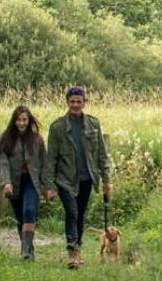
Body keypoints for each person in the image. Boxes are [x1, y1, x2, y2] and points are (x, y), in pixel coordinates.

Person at [44, 85, 112, 269]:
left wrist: (106, 180)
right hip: (65, 179)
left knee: (80, 214)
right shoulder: (57, 127)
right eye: (72, 102)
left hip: (87, 178)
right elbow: (51, 158)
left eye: (79, 102)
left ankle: (78, 248)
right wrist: (49, 185)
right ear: (67, 102)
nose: (75, 105)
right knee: (72, 212)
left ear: (84, 103)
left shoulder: (93, 124)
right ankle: (72, 252)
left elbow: (102, 155)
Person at [0, 104, 52, 259]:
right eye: (18, 120)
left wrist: (47, 186)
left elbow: (44, 163)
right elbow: (3, 162)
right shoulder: (6, 139)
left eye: (24, 120)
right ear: (14, 121)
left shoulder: (37, 139)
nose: (21, 123)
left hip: (32, 182)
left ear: (29, 121)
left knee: (29, 210)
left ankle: (25, 251)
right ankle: (29, 249)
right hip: (14, 182)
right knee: (21, 218)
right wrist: (6, 182)